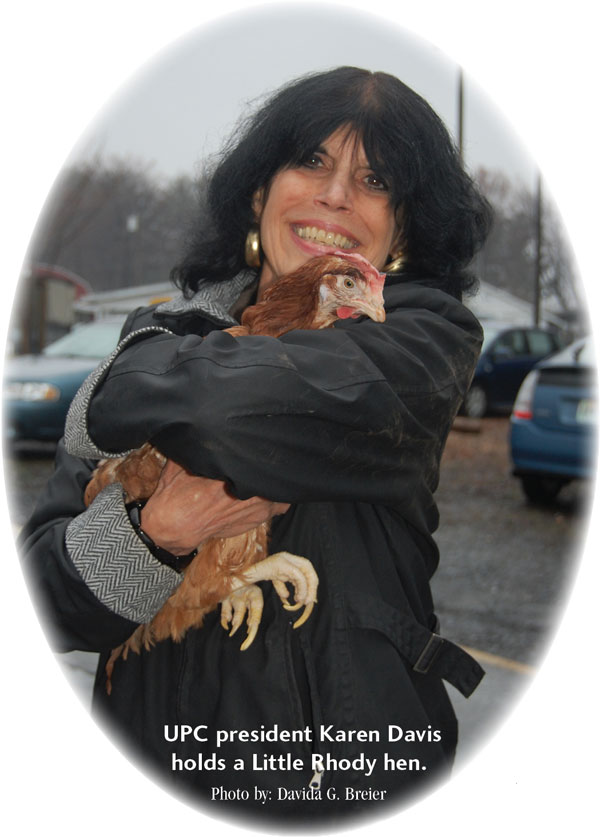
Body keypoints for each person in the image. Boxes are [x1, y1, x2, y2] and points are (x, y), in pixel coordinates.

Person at [20, 66, 492, 823]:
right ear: (256, 192)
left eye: (375, 179)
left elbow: (227, 418)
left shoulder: (422, 337)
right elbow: (43, 593)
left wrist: (126, 386)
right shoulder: (165, 331)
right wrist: (156, 534)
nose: (336, 195)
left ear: (401, 226)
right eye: (310, 160)